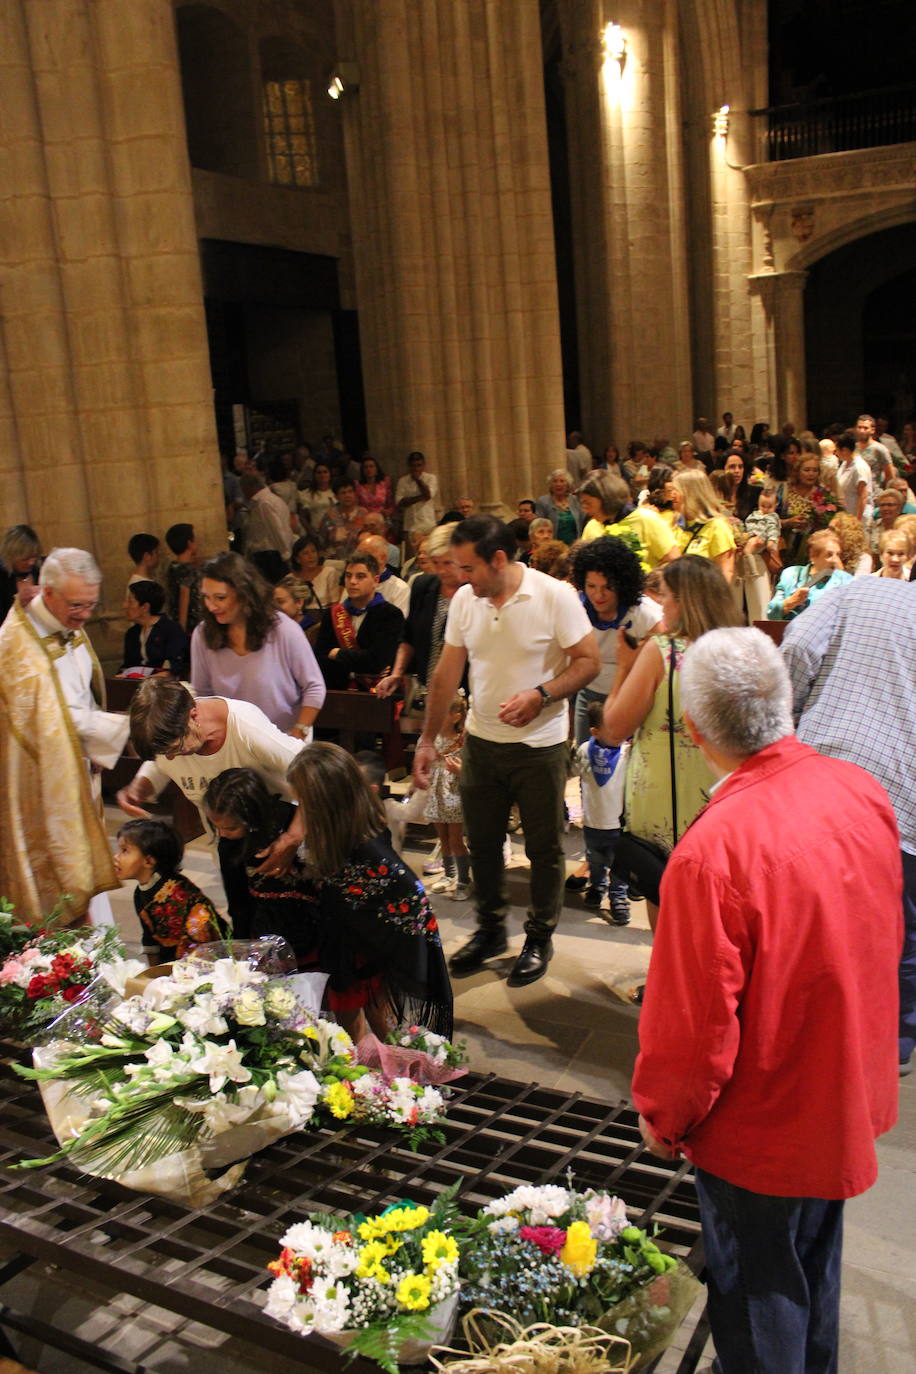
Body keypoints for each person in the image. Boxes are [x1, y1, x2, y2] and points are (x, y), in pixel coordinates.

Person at [632, 627, 901, 1374]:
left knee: (756, 1293)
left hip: (762, 1121)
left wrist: (665, 1111)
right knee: (813, 1264)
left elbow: (693, 1025)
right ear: (788, 702)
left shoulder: (713, 852)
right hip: (840, 1083)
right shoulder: (859, 790)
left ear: (692, 732)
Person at [413, 516, 600, 987]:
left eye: (467, 567)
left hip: (539, 746)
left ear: (498, 559)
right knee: (483, 841)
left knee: (542, 847)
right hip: (482, 742)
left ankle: (540, 936)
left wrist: (542, 694)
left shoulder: (553, 596)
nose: (459, 577)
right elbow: (445, 675)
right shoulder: (465, 602)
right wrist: (427, 739)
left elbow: (589, 662)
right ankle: (492, 930)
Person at [782, 578, 916, 1077]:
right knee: (903, 925)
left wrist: (788, 718)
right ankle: (895, 1038)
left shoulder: (858, 592)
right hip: (905, 800)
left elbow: (796, 646)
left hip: (826, 772)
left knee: (812, 913)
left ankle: (810, 1027)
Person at [601, 556, 741, 936]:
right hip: (726, 798)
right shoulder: (742, 649)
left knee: (664, 890)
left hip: (666, 796)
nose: (661, 603)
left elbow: (614, 727)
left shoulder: (663, 651)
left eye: (665, 595)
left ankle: (670, 986)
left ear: (684, 599)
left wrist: (624, 667)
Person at [0, 547, 130, 922]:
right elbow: (53, 721)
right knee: (63, 881)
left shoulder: (65, 623)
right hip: (44, 788)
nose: (86, 615)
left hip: (81, 768)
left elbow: (82, 692)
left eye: (91, 604)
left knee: (85, 870)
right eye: (77, 605)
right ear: (48, 591)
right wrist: (127, 728)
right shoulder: (18, 647)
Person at [116, 677, 305, 877]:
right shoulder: (171, 741)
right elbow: (159, 763)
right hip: (230, 846)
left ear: (193, 715)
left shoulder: (247, 730)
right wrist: (139, 787)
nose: (171, 758)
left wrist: (293, 837)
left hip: (286, 837)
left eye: (176, 749)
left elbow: (317, 776)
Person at [191, 551, 325, 739]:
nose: (211, 606)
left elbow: (314, 687)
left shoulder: (282, 629)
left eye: (220, 598)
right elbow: (204, 695)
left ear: (244, 595)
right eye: (206, 597)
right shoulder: (202, 634)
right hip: (233, 740)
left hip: (285, 735)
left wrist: (298, 733)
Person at [570, 535, 663, 744]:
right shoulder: (574, 607)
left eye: (608, 587)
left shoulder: (645, 614)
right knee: (588, 758)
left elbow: (664, 658)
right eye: (591, 586)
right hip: (589, 695)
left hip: (631, 697)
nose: (598, 595)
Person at [113, 818, 225, 963]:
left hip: (202, 960)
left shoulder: (177, 893)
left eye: (124, 851)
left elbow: (201, 933)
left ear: (149, 861)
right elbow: (150, 935)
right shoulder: (140, 893)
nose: (116, 857)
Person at [376, 523, 466, 702]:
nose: (440, 570)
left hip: (465, 691)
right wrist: (397, 673)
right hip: (428, 688)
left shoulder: (476, 592)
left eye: (448, 563)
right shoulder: (423, 586)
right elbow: (408, 636)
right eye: (435, 562)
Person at [571, 700, 630, 924]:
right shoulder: (586, 750)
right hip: (593, 821)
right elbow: (573, 770)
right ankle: (597, 887)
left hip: (618, 823)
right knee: (595, 860)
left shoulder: (627, 752)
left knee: (619, 865)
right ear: (595, 731)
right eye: (612, 728)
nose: (620, 732)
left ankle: (619, 897)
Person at [315, 551, 405, 690]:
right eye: (348, 576)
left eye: (360, 576)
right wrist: (360, 663)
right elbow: (320, 658)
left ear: (375, 581)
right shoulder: (332, 614)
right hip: (337, 691)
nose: (352, 582)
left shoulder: (390, 615)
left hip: (376, 693)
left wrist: (337, 653)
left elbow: (377, 661)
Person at [577, 471, 679, 571]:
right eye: (582, 503)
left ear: (605, 499)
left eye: (588, 503)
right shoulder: (591, 526)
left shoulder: (647, 519)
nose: (584, 509)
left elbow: (673, 560)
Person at [423, 693, 472, 900]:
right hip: (435, 792)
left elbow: (474, 767)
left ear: (456, 716)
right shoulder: (430, 738)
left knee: (455, 840)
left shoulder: (464, 740)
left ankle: (463, 880)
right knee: (442, 838)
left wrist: (461, 771)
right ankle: (448, 874)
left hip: (454, 793)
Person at [766, 530, 852, 620]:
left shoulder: (846, 581)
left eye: (837, 554)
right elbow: (771, 614)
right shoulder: (791, 575)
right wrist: (791, 602)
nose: (835, 560)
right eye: (829, 555)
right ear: (813, 556)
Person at [671, 469, 736, 580]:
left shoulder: (717, 526)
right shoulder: (675, 524)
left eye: (676, 490)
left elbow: (726, 573)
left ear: (691, 493)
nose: (672, 495)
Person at [120, 579, 190, 678]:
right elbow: (128, 665)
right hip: (136, 686)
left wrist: (144, 680)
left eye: (130, 601)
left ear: (145, 607)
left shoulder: (171, 630)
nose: (124, 606)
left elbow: (175, 669)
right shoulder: (132, 633)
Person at [356, 533, 411, 615]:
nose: (360, 560)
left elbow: (397, 623)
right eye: (359, 554)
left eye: (366, 555)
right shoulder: (353, 582)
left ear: (382, 558)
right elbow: (341, 615)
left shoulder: (400, 588)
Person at [164, 522, 202, 633]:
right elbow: (184, 596)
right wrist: (182, 629)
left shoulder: (172, 567)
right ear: (189, 543)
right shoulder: (188, 570)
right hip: (190, 629)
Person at [0, 523, 42, 621]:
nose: (31, 562)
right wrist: (18, 605)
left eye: (34, 556)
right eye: (25, 559)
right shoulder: (2, 578)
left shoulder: (39, 571)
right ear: (11, 556)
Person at [395, 451, 440, 537]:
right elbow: (400, 502)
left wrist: (418, 480)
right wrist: (420, 497)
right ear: (409, 466)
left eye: (419, 465)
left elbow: (428, 495)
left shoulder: (431, 478)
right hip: (410, 525)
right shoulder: (403, 481)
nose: (416, 469)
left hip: (428, 524)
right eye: (413, 466)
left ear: (423, 465)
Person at [318, 479, 368, 557]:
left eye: (350, 491)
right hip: (334, 561)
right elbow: (321, 541)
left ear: (355, 494)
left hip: (359, 561)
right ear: (336, 496)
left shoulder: (363, 514)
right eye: (343, 493)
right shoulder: (329, 516)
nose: (347, 495)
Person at [535, 469, 584, 544]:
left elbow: (582, 522)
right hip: (552, 546)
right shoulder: (543, 502)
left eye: (562, 481)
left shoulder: (575, 500)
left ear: (568, 485)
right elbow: (539, 525)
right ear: (550, 485)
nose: (558, 484)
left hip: (574, 545)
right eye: (555, 481)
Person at [290, 535, 340, 608]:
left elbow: (335, 604)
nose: (311, 556)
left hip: (325, 615)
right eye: (305, 553)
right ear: (297, 559)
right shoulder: (291, 579)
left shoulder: (329, 572)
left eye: (313, 551)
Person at [835, 430, 872, 520]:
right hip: (845, 515)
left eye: (837, 450)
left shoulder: (859, 467)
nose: (835, 453)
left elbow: (863, 497)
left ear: (845, 450)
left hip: (858, 517)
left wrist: (857, 521)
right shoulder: (844, 463)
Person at [297, 461, 337, 533]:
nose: (322, 475)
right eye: (319, 472)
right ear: (314, 475)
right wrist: (311, 532)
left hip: (336, 531)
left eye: (325, 472)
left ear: (330, 474)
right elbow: (302, 517)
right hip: (316, 532)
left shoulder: (336, 491)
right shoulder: (306, 494)